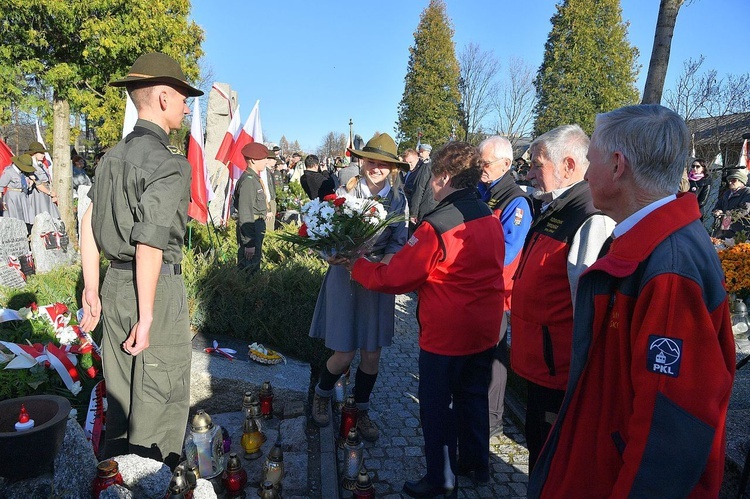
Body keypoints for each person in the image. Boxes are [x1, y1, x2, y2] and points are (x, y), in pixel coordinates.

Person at [528, 104, 735, 498]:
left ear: (618, 165)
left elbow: (670, 431)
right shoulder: (645, 243)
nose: (586, 174)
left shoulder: (669, 267)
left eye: (592, 161)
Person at [350, 141, 505, 498]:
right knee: (473, 398)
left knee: (436, 408)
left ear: (446, 177)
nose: (431, 185)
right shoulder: (487, 213)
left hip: (447, 333)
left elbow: (397, 278)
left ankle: (440, 478)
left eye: (435, 177)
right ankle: (477, 465)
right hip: (484, 328)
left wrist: (358, 265)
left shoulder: (437, 225)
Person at [79, 52, 202, 470]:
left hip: (113, 284)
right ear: (163, 98)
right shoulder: (170, 164)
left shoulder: (110, 158)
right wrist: (148, 316)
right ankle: (150, 481)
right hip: (154, 288)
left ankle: (111, 480)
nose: (187, 106)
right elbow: (150, 242)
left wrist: (91, 291)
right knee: (159, 401)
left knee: (121, 397)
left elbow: (86, 223)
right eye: (184, 96)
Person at [510, 124, 615, 472]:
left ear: (569, 166)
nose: (529, 173)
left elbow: (588, 306)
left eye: (537, 164)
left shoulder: (589, 217)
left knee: (550, 460)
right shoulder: (557, 206)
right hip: (541, 364)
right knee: (538, 449)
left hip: (560, 372)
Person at [309, 132, 408, 443]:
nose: (375, 167)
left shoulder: (398, 200)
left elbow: (398, 241)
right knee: (343, 352)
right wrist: (332, 255)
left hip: (377, 279)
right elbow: (325, 235)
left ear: (392, 168)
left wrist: (383, 269)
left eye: (382, 163)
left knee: (372, 353)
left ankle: (361, 410)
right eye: (371, 160)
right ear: (362, 161)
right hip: (344, 277)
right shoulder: (344, 191)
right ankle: (322, 393)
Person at [476, 135, 533, 440]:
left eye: (484, 163)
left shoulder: (516, 201)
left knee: (495, 359)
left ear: (506, 164)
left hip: (497, 293)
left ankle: (492, 419)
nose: (480, 167)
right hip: (478, 290)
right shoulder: (484, 192)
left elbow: (508, 252)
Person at [235, 142, 271, 273]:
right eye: (263, 158)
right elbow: (245, 213)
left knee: (254, 265)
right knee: (249, 268)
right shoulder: (249, 181)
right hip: (251, 229)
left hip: (256, 226)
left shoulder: (253, 179)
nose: (266, 162)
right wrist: (249, 243)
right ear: (253, 160)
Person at [404, 143, 437, 234]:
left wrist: (413, 213)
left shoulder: (426, 167)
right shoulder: (435, 167)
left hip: (424, 209)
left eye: (422, 152)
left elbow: (419, 189)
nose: (420, 154)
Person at [712, 169, 750, 239]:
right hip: (724, 227)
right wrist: (717, 210)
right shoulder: (727, 193)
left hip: (738, 230)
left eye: (733, 180)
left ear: (741, 181)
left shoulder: (747, 192)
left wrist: (725, 214)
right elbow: (718, 204)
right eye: (729, 180)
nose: (730, 182)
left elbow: (744, 210)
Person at [0, 154, 35, 230]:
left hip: (23, 196)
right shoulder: (9, 171)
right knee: (14, 218)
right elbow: (1, 186)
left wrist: (30, 183)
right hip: (12, 197)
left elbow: (25, 184)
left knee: (25, 218)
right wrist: (1, 201)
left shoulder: (23, 173)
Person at [26, 141, 60, 219]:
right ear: (34, 153)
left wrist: (52, 193)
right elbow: (37, 183)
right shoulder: (31, 166)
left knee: (52, 215)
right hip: (38, 194)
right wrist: (49, 192)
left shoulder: (42, 165)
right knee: (41, 214)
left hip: (47, 191)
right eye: (41, 153)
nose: (43, 155)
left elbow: (48, 180)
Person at [262, 147, 278, 229]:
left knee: (271, 223)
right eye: (273, 159)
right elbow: (266, 188)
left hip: (271, 199)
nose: (275, 161)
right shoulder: (265, 173)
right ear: (267, 160)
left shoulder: (268, 172)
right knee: (269, 225)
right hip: (269, 200)